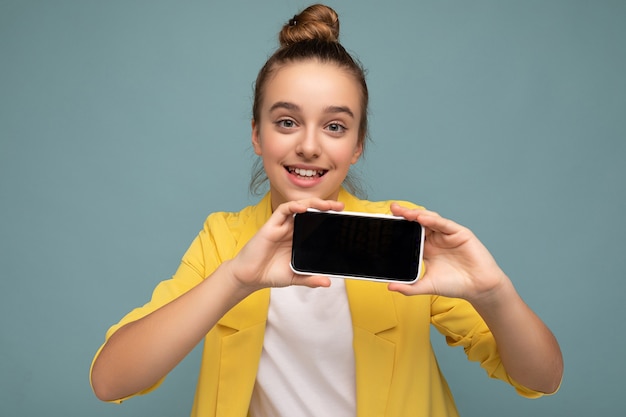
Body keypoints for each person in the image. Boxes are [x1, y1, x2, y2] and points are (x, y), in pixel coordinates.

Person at [90, 4, 563, 416]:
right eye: (287, 121)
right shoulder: (224, 240)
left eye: (335, 126)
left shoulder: (404, 236)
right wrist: (234, 280)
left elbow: (542, 378)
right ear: (257, 134)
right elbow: (111, 382)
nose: (310, 145)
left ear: (357, 145)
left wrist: (494, 292)